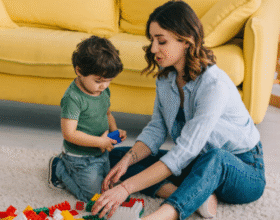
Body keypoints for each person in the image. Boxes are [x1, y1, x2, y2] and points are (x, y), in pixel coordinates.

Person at [91, 1, 266, 219]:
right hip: (196, 161)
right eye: (152, 40)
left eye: (161, 41)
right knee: (117, 157)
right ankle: (195, 194)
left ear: (186, 40)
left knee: (216, 157)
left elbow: (184, 151)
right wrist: (128, 160)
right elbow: (157, 129)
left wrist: (126, 188)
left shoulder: (213, 85)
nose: (154, 49)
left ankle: (165, 213)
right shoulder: (167, 78)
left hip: (242, 170)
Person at [48, 35, 127, 203]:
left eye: (108, 81)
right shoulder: (73, 98)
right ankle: (59, 168)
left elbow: (107, 114)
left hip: (101, 151)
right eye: (98, 80)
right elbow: (69, 134)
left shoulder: (103, 90)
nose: (104, 86)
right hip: (80, 158)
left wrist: (115, 132)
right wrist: (100, 142)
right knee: (91, 198)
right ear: (79, 71)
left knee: (107, 186)